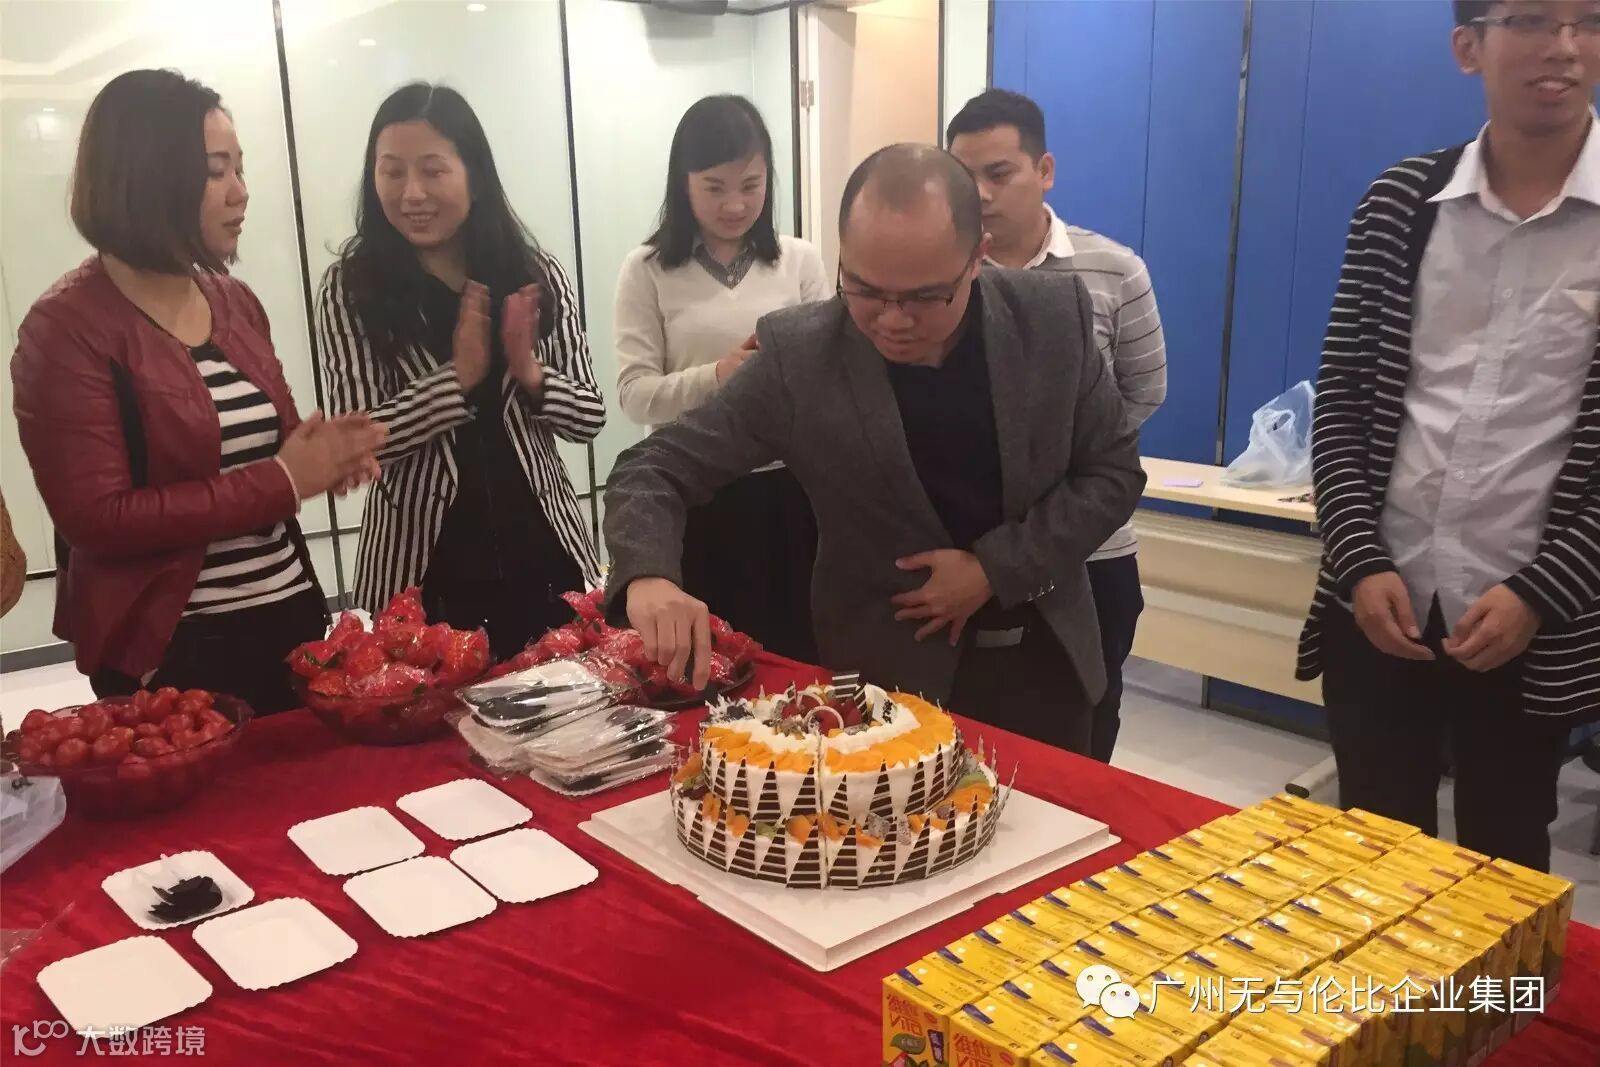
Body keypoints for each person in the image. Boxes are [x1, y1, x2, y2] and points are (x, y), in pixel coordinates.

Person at [604, 144, 1145, 753]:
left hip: (1045, 665)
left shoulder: (1051, 320)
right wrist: (649, 576)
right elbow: (654, 467)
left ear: (977, 258)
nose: (892, 320)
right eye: (863, 290)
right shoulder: (802, 357)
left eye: (924, 297)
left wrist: (993, 570)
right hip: (884, 685)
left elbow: (1113, 472)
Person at [1298, 0, 1600, 872]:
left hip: (1531, 617)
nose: (1564, 46)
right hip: (1382, 599)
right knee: (1370, 855)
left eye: (1588, 20)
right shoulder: (1401, 202)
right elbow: (1342, 398)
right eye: (1533, 19)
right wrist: (1358, 559)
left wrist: (1541, 590)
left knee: (1504, 865)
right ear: (1469, 47)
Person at [11, 69, 384, 713]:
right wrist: (284, 479)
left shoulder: (233, 301)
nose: (241, 191)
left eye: (241, 168)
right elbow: (96, 519)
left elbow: (269, 451)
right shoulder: (65, 327)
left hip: (289, 614)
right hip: (172, 649)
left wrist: (324, 456)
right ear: (148, 177)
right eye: (216, 171)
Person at [319, 83, 606, 660]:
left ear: (474, 175)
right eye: (391, 172)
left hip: (543, 556)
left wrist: (530, 372)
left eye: (432, 171)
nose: (411, 193)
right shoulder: (352, 288)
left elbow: (590, 416)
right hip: (421, 572)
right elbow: (358, 438)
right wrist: (455, 379)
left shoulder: (534, 274)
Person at [948, 89, 1167, 764]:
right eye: (964, 177)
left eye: (999, 173)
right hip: (972, 553)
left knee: (1089, 724)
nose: (980, 194)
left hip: (1092, 551)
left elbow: (1144, 389)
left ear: (1044, 170)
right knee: (968, 736)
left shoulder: (1114, 270)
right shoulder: (943, 274)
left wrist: (1064, 467)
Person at [613, 95, 829, 661]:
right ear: (682, 183)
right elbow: (635, 396)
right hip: (695, 489)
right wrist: (720, 375)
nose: (735, 204)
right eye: (714, 187)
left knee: (798, 655)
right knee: (708, 661)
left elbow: (828, 376)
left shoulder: (799, 260)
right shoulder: (647, 270)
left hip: (791, 491)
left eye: (751, 185)